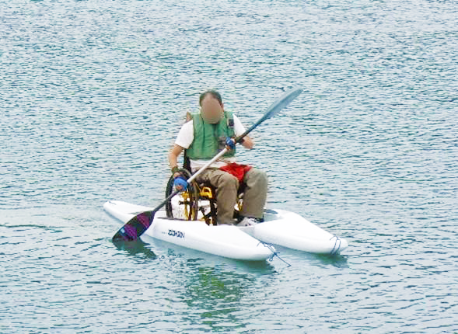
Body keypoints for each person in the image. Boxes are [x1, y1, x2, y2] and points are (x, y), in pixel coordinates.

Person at [168, 90, 268, 226]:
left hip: (229, 167)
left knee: (259, 176)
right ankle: (225, 222)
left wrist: (237, 140)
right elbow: (173, 154)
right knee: (228, 180)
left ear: (222, 106)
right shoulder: (190, 127)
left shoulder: (231, 120)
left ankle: (250, 218)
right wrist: (176, 174)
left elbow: (250, 144)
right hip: (203, 169)